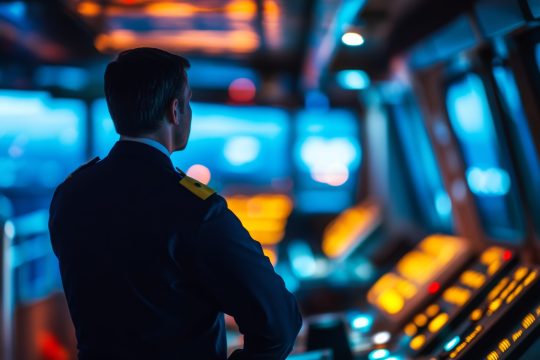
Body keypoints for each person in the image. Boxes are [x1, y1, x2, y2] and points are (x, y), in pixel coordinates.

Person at [48, 47, 302, 360]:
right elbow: (278, 322)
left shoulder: (70, 196)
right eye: (189, 100)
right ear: (175, 110)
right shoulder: (194, 209)